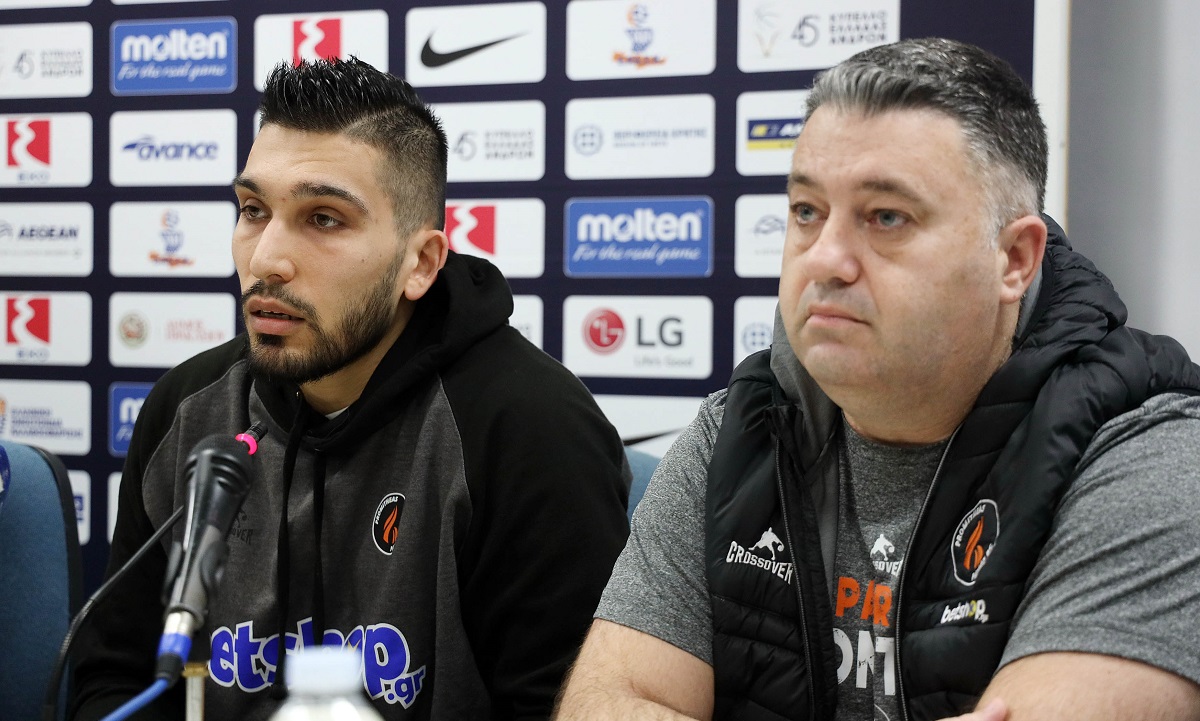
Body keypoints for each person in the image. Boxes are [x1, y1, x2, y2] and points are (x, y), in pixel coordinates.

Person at [555, 37, 1200, 721]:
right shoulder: (737, 434)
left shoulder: (1151, 458)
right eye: (807, 211)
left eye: (886, 217)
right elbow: (602, 706)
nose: (825, 258)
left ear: (1014, 258)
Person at [71, 57, 631, 721]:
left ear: (420, 263)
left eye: (324, 219)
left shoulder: (531, 431)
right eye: (253, 210)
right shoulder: (188, 410)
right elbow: (113, 681)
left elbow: (565, 709)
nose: (266, 259)